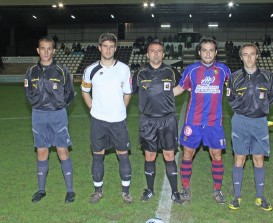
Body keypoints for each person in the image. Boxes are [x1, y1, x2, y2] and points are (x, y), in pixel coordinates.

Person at [173, 37, 231, 204]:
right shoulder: (191, 70)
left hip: (214, 122)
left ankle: (217, 190)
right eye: (204, 50)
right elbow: (179, 88)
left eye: (211, 50)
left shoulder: (223, 70)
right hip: (193, 121)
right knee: (187, 154)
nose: (207, 53)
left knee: (216, 155)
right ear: (199, 52)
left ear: (216, 53)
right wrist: (160, 96)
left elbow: (234, 88)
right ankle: (185, 188)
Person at [81, 33, 133, 204]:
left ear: (116, 48)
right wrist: (92, 107)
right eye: (105, 46)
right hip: (98, 120)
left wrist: (120, 109)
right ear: (99, 48)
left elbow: (127, 93)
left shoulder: (124, 69)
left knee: (123, 154)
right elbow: (85, 91)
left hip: (118, 121)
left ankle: (125, 192)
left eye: (111, 46)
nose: (108, 49)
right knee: (98, 155)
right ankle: (98, 191)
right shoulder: (90, 70)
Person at [24, 36, 75, 203]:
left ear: (53, 50)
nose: (46, 52)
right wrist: (38, 104)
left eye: (49, 48)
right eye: (42, 48)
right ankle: (41, 190)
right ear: (38, 50)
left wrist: (59, 106)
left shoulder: (61, 70)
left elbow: (69, 92)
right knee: (41, 151)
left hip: (57, 115)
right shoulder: (31, 71)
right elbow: (28, 93)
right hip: (38, 115)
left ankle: (69, 191)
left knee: (62, 151)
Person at [132, 40, 183, 204]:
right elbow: (130, 91)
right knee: (150, 155)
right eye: (152, 51)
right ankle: (149, 190)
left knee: (169, 155)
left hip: (167, 120)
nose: (156, 53)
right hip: (148, 121)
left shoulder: (171, 70)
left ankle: (175, 192)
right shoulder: (140, 73)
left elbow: (183, 86)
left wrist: (168, 96)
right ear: (147, 54)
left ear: (163, 54)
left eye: (159, 51)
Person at [226, 43, 273, 211]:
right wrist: (244, 109)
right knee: (239, 158)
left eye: (252, 54)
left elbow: (272, 98)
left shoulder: (267, 76)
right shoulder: (234, 77)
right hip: (240, 121)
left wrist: (259, 111)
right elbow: (230, 99)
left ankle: (260, 197)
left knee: (258, 159)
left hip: (260, 122)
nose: (248, 57)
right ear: (240, 57)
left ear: (257, 56)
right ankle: (236, 196)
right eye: (245, 54)